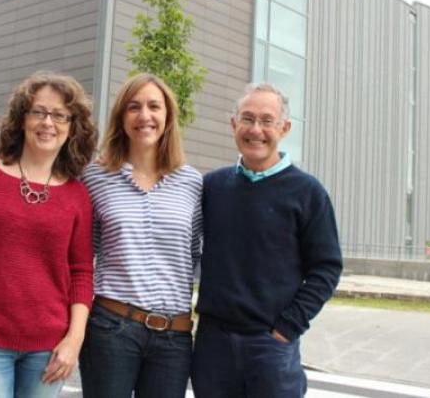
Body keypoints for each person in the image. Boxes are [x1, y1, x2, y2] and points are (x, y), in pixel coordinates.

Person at [191, 82, 343, 398]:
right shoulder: (212, 187)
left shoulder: (308, 193)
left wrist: (288, 327)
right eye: (247, 119)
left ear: (284, 128)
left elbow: (327, 267)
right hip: (213, 347)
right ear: (233, 124)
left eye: (266, 121)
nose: (255, 130)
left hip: (270, 347)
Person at [0, 72, 97, 398]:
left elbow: (81, 273)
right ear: (21, 118)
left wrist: (74, 340)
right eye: (38, 112)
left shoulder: (77, 195)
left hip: (49, 347)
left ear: (72, 127)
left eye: (60, 115)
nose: (48, 122)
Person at [78, 73, 202, 398]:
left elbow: (194, 254)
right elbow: (83, 254)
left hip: (174, 337)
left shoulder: (191, 182)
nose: (144, 115)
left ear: (168, 116)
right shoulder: (96, 176)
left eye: (154, 106)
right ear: (121, 117)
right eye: (134, 107)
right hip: (112, 327)